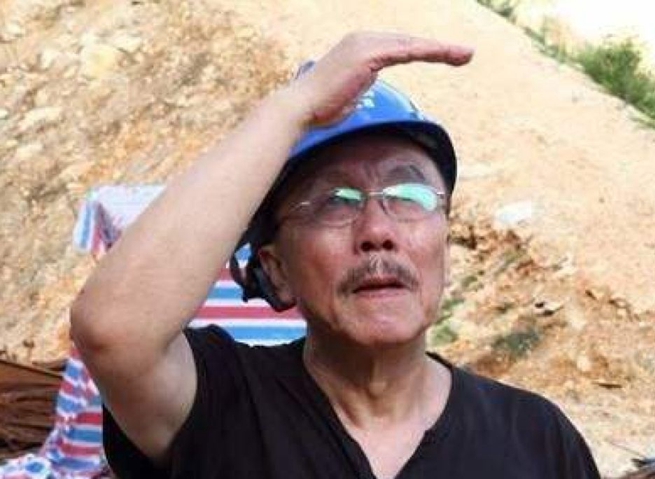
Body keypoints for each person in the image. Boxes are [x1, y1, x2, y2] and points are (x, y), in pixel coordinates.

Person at [70, 32, 601, 478]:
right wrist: (294, 107)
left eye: (409, 194)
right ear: (276, 270)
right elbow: (114, 331)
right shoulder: (222, 401)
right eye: (333, 202)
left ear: (444, 244)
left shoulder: (537, 441)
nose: (378, 231)